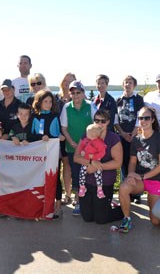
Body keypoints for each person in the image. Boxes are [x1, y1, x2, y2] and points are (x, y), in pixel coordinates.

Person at [117, 106, 160, 232]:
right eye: (141, 118)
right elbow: (132, 162)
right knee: (124, 187)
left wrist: (142, 177)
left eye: (147, 118)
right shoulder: (136, 140)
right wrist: (130, 174)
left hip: (157, 180)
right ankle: (127, 219)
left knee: (155, 221)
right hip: (140, 180)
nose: (143, 121)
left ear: (152, 120)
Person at [74, 110, 124, 224]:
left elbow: (117, 163)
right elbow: (76, 157)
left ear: (108, 122)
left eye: (103, 121)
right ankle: (102, 206)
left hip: (105, 183)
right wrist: (90, 162)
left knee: (101, 219)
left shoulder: (113, 138)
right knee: (87, 218)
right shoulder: (86, 135)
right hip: (86, 183)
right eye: (96, 120)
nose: (99, 124)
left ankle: (123, 209)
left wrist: (98, 167)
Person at [60, 80, 97, 215]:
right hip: (72, 148)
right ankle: (78, 200)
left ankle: (89, 200)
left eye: (78, 92)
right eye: (73, 93)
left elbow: (97, 125)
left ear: (83, 93)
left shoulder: (90, 106)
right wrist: (72, 142)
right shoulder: (66, 107)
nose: (75, 95)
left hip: (89, 148)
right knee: (76, 175)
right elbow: (64, 128)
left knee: (89, 174)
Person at [30, 89, 65, 219]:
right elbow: (31, 135)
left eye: (50, 101)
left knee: (54, 177)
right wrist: (40, 137)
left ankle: (58, 204)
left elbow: (57, 133)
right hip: (38, 153)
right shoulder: (34, 117)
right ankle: (39, 204)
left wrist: (60, 137)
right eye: (45, 101)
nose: (48, 104)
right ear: (39, 102)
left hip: (53, 152)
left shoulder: (54, 116)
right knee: (39, 177)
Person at [114, 75, 145, 203]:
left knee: (136, 163)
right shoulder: (118, 100)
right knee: (123, 164)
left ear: (134, 85)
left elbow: (140, 117)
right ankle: (125, 192)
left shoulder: (138, 99)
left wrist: (133, 133)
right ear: (123, 85)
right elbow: (116, 120)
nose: (128, 85)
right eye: (126, 82)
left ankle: (136, 193)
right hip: (122, 136)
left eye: (130, 82)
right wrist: (123, 133)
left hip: (136, 136)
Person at [55, 72, 76, 206]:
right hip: (57, 138)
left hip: (72, 138)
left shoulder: (77, 98)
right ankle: (64, 195)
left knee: (71, 167)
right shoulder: (55, 98)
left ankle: (73, 194)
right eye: (65, 81)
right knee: (59, 168)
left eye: (71, 81)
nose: (67, 83)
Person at [78, 123, 107, 199]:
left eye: (88, 132)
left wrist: (94, 156)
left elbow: (102, 152)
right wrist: (82, 151)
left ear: (93, 134)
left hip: (96, 160)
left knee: (98, 175)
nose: (86, 134)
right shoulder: (86, 140)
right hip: (86, 160)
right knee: (82, 172)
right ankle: (82, 186)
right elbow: (81, 146)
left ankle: (99, 189)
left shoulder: (99, 142)